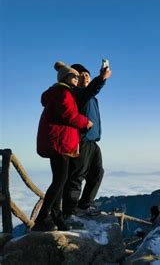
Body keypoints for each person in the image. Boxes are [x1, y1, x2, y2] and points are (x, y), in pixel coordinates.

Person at [33, 62, 93, 231]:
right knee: (60, 181)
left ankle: (55, 218)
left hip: (58, 142)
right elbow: (69, 115)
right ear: (66, 78)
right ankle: (42, 219)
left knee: (59, 180)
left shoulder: (58, 93)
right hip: (59, 143)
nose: (77, 78)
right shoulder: (63, 93)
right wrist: (85, 122)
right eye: (74, 76)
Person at [62, 62, 111, 218]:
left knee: (97, 173)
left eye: (88, 75)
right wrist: (101, 78)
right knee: (77, 176)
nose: (86, 77)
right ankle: (68, 213)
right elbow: (91, 90)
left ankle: (84, 205)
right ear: (75, 78)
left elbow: (91, 91)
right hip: (81, 141)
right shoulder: (77, 94)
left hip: (93, 141)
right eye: (82, 75)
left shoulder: (91, 97)